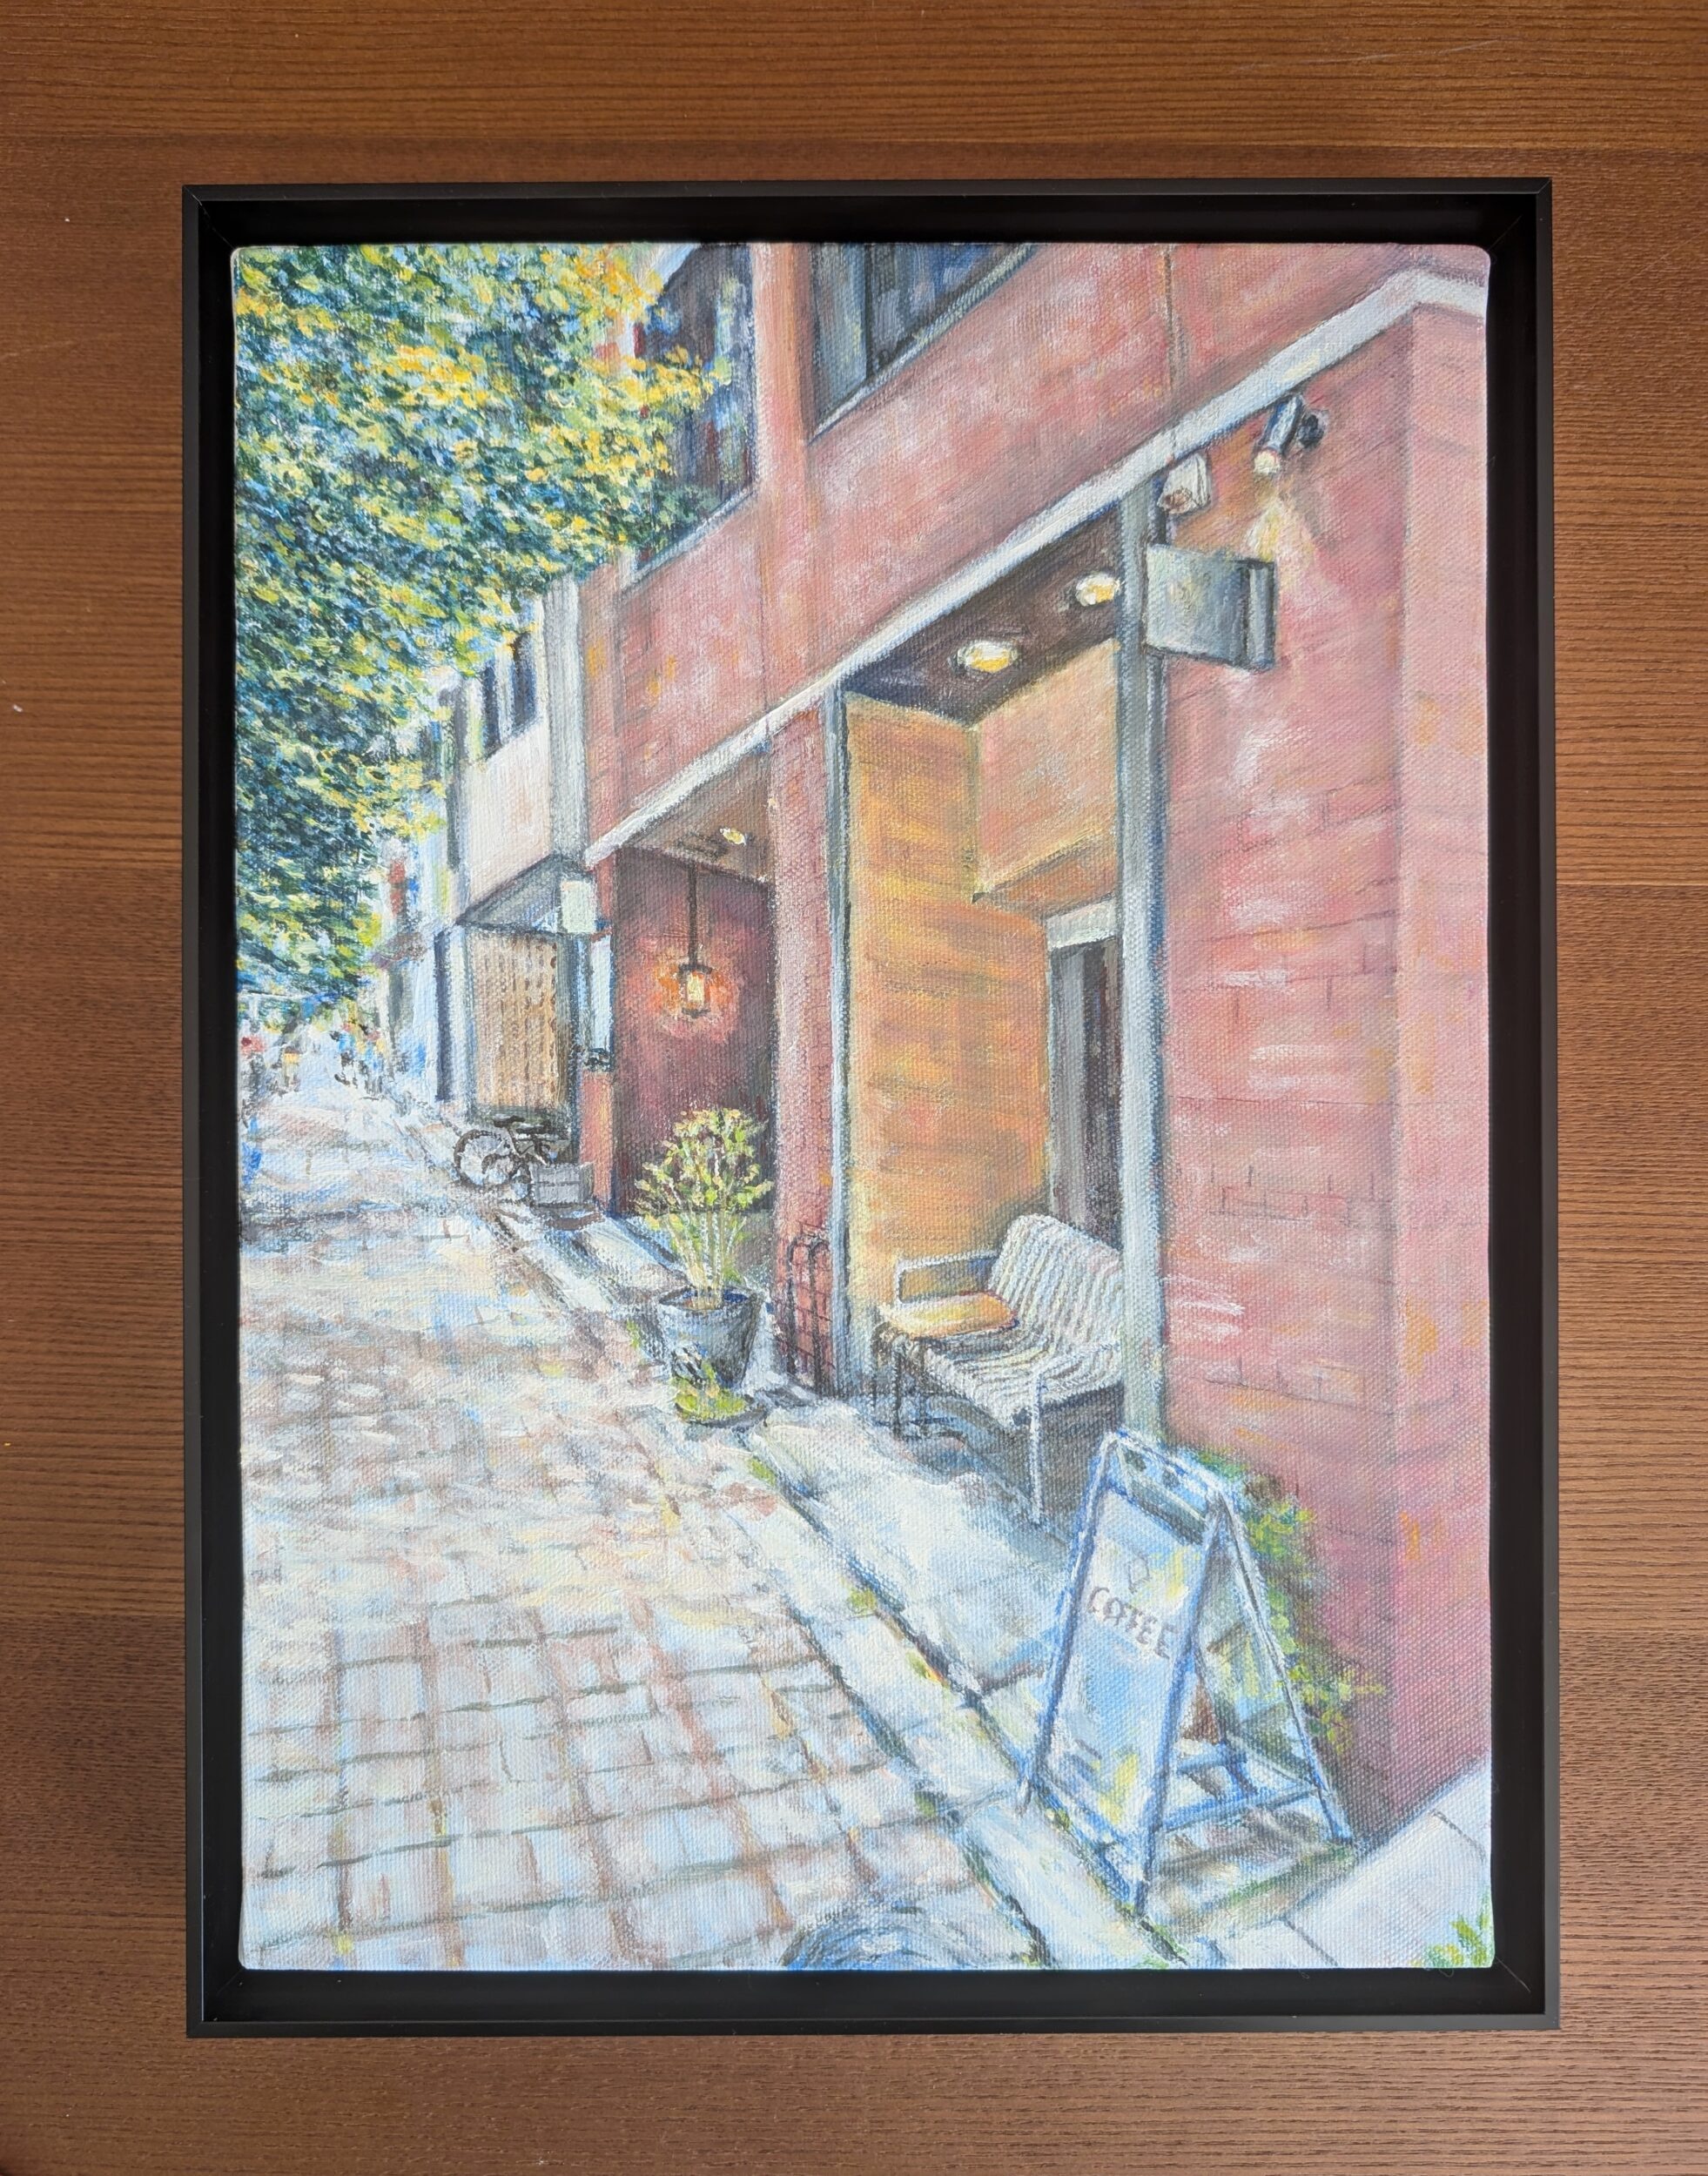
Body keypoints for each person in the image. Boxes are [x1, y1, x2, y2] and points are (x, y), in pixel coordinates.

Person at [334, 1020, 357, 1085]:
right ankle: (346, 1078)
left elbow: (353, 1046)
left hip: (347, 1053)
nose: (347, 1027)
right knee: (345, 1065)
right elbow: (338, 1042)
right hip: (343, 1052)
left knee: (348, 1065)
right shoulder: (341, 1033)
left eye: (349, 1026)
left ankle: (350, 1079)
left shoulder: (351, 1036)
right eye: (346, 1025)